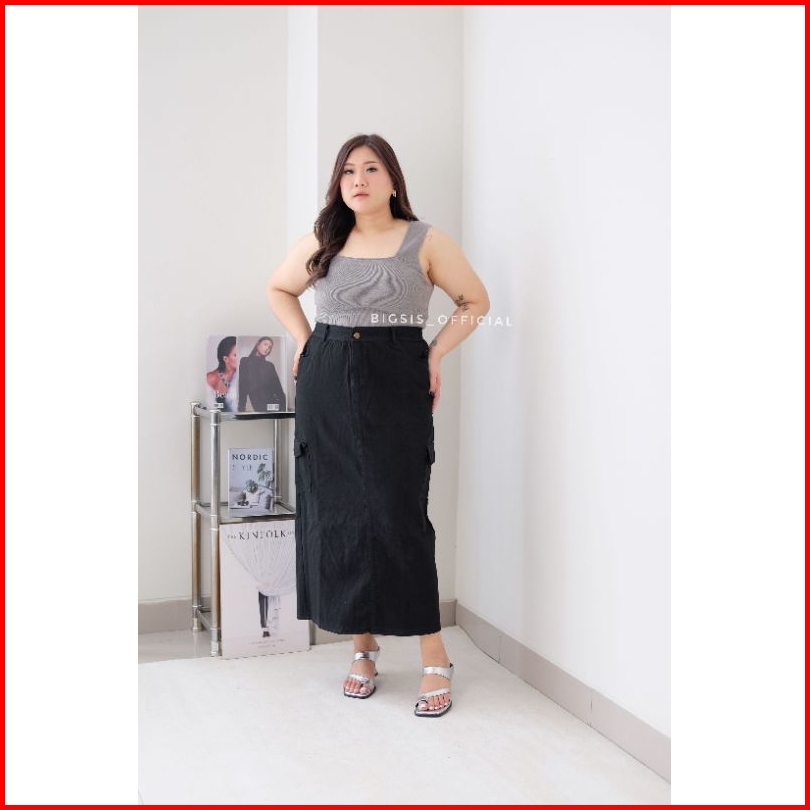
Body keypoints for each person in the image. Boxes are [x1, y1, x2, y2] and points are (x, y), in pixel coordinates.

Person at [266, 133, 489, 718]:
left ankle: (434, 655)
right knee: (338, 511)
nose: (358, 180)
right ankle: (361, 648)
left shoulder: (425, 240)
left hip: (397, 375)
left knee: (398, 513)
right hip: (327, 377)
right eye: (348, 171)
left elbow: (474, 301)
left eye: (370, 169)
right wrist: (305, 340)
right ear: (338, 183)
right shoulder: (323, 238)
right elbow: (280, 288)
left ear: (392, 179)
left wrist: (434, 354)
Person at [238, 336, 287, 412]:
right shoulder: (245, 361)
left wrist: (284, 410)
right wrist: (241, 408)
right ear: (258, 344)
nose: (267, 348)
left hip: (274, 405)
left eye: (270, 347)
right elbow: (243, 387)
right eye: (265, 344)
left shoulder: (270, 366)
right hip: (261, 407)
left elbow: (278, 389)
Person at [206, 336, 238, 412]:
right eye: (236, 355)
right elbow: (209, 406)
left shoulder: (241, 376)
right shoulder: (211, 378)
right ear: (225, 359)